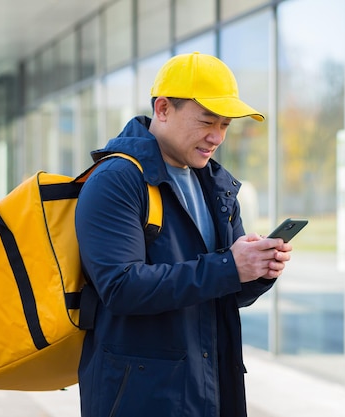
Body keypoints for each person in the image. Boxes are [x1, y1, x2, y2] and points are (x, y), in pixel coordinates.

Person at [75, 52, 293, 417]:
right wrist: (229, 266)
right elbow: (121, 287)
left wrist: (258, 270)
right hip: (141, 399)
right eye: (207, 121)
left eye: (225, 125)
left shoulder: (216, 185)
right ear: (162, 109)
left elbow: (220, 291)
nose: (217, 136)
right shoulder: (117, 179)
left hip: (208, 388)